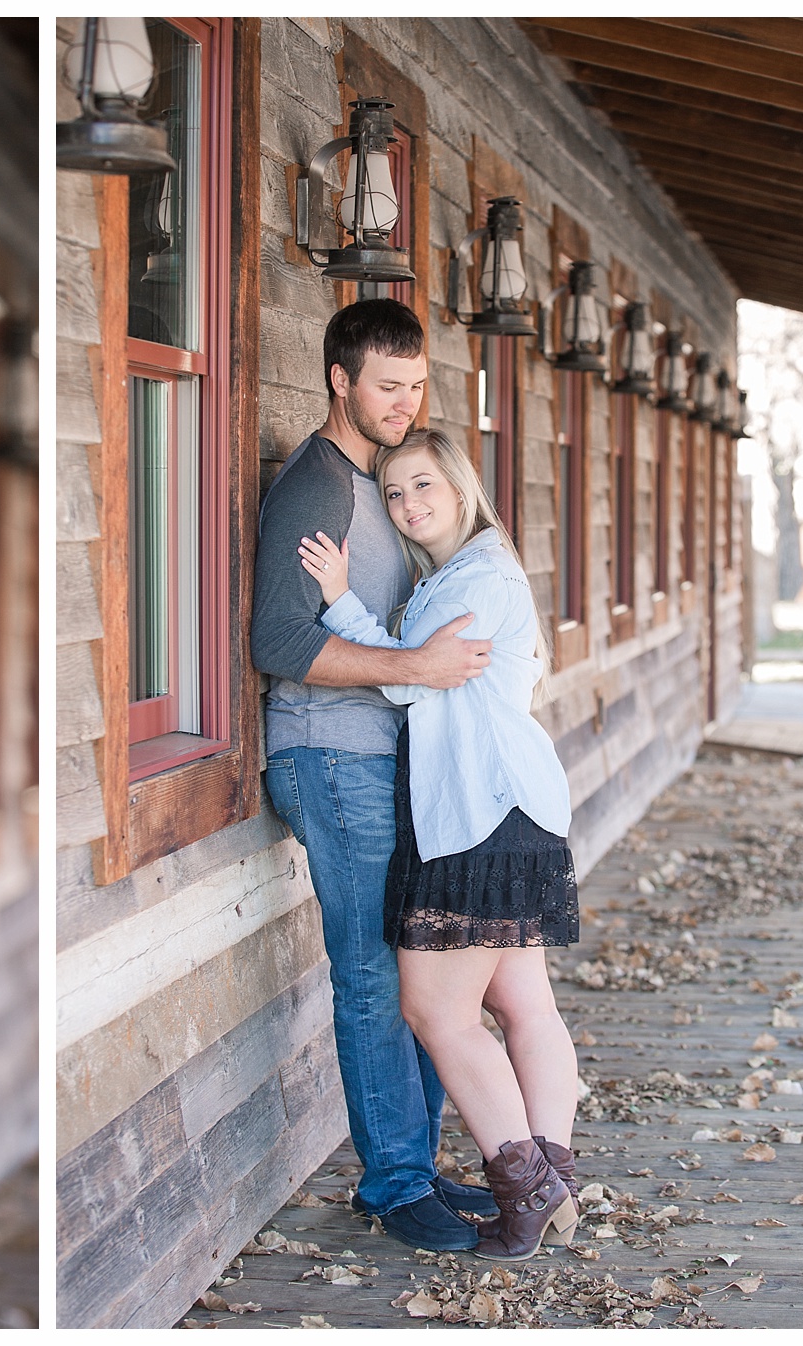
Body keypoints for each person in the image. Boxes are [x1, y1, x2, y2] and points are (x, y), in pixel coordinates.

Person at [298, 427, 580, 1260]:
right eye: (394, 494)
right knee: (522, 1003)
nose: (410, 505)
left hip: (478, 817)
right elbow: (423, 664)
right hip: (511, 810)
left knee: (435, 1011)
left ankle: (524, 1190)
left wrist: (341, 601)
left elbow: (409, 672)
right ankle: (554, 1181)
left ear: (460, 487)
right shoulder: (468, 572)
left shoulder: (480, 576)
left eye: (424, 486)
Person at [250, 299, 496, 1251]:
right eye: (387, 387)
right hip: (328, 758)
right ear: (339, 383)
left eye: (417, 384)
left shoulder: (385, 480)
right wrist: (414, 668)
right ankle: (395, 1184)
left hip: (384, 762)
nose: (405, 402)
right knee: (370, 972)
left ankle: (417, 1166)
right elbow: (278, 638)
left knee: (417, 972)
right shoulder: (318, 487)